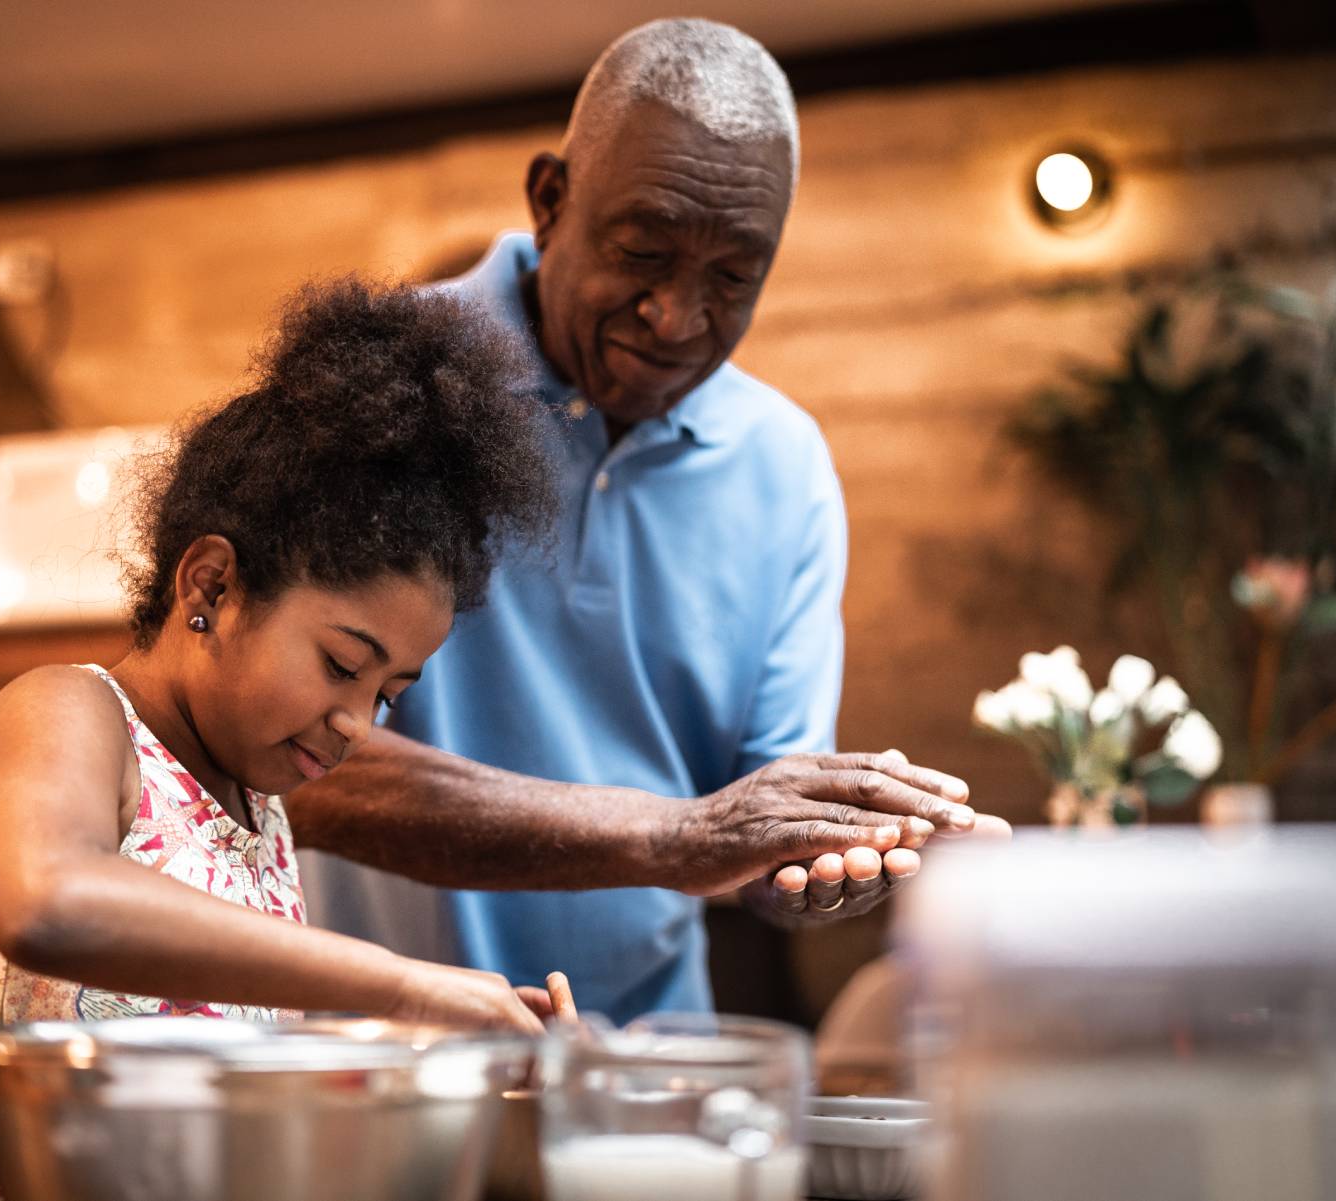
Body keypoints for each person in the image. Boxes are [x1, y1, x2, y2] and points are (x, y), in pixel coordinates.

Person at [291, 18, 1006, 1024]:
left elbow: (748, 831)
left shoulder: (784, 465)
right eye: (641, 251)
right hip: (372, 1066)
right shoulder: (384, 384)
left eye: (731, 278)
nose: (675, 317)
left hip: (642, 1074)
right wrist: (678, 837)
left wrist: (825, 854)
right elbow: (296, 762)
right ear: (550, 201)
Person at [0, 278, 566, 1201]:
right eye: (344, 664)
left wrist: (470, 1051)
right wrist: (400, 983)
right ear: (213, 587)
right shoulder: (67, 711)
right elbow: (49, 899)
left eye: (390, 693)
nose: (358, 723)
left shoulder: (262, 813)